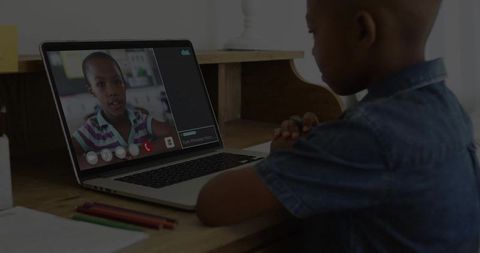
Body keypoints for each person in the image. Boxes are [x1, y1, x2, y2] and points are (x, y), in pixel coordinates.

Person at [197, 0, 480, 252]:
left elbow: (214, 203)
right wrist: (306, 155)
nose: (313, 48)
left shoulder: (370, 134)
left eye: (314, 32)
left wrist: (300, 159)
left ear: (361, 31)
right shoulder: (447, 109)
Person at [72, 52, 180, 167]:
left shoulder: (140, 119)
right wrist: (104, 161)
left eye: (117, 81)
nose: (112, 91)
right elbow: (69, 157)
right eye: (101, 84)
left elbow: (177, 137)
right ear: (92, 91)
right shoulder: (91, 130)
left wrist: (141, 152)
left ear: (124, 84)